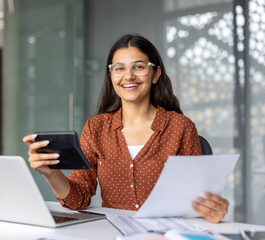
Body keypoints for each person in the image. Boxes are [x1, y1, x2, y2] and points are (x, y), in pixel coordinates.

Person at [23, 34, 229, 224]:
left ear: (155, 74)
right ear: (111, 75)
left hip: (165, 232)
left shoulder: (180, 127)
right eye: (119, 68)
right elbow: (79, 200)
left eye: (139, 67)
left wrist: (213, 209)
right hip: (113, 233)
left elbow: (196, 199)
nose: (128, 76)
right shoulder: (96, 128)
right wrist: (50, 173)